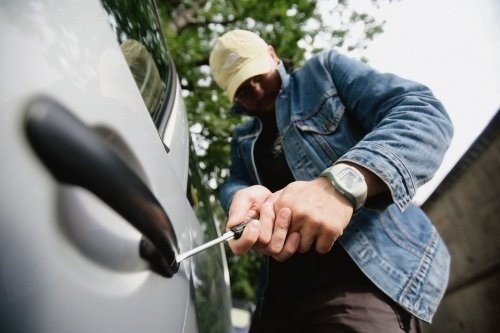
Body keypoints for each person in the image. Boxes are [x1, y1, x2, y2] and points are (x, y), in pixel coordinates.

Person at [209, 29, 453, 332]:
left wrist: (341, 184)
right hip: (279, 294)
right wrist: (237, 196)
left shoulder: (324, 72)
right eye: (243, 89)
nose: (257, 91)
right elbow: (235, 180)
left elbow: (423, 114)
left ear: (272, 56)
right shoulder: (241, 139)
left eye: (258, 76)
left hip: (362, 280)